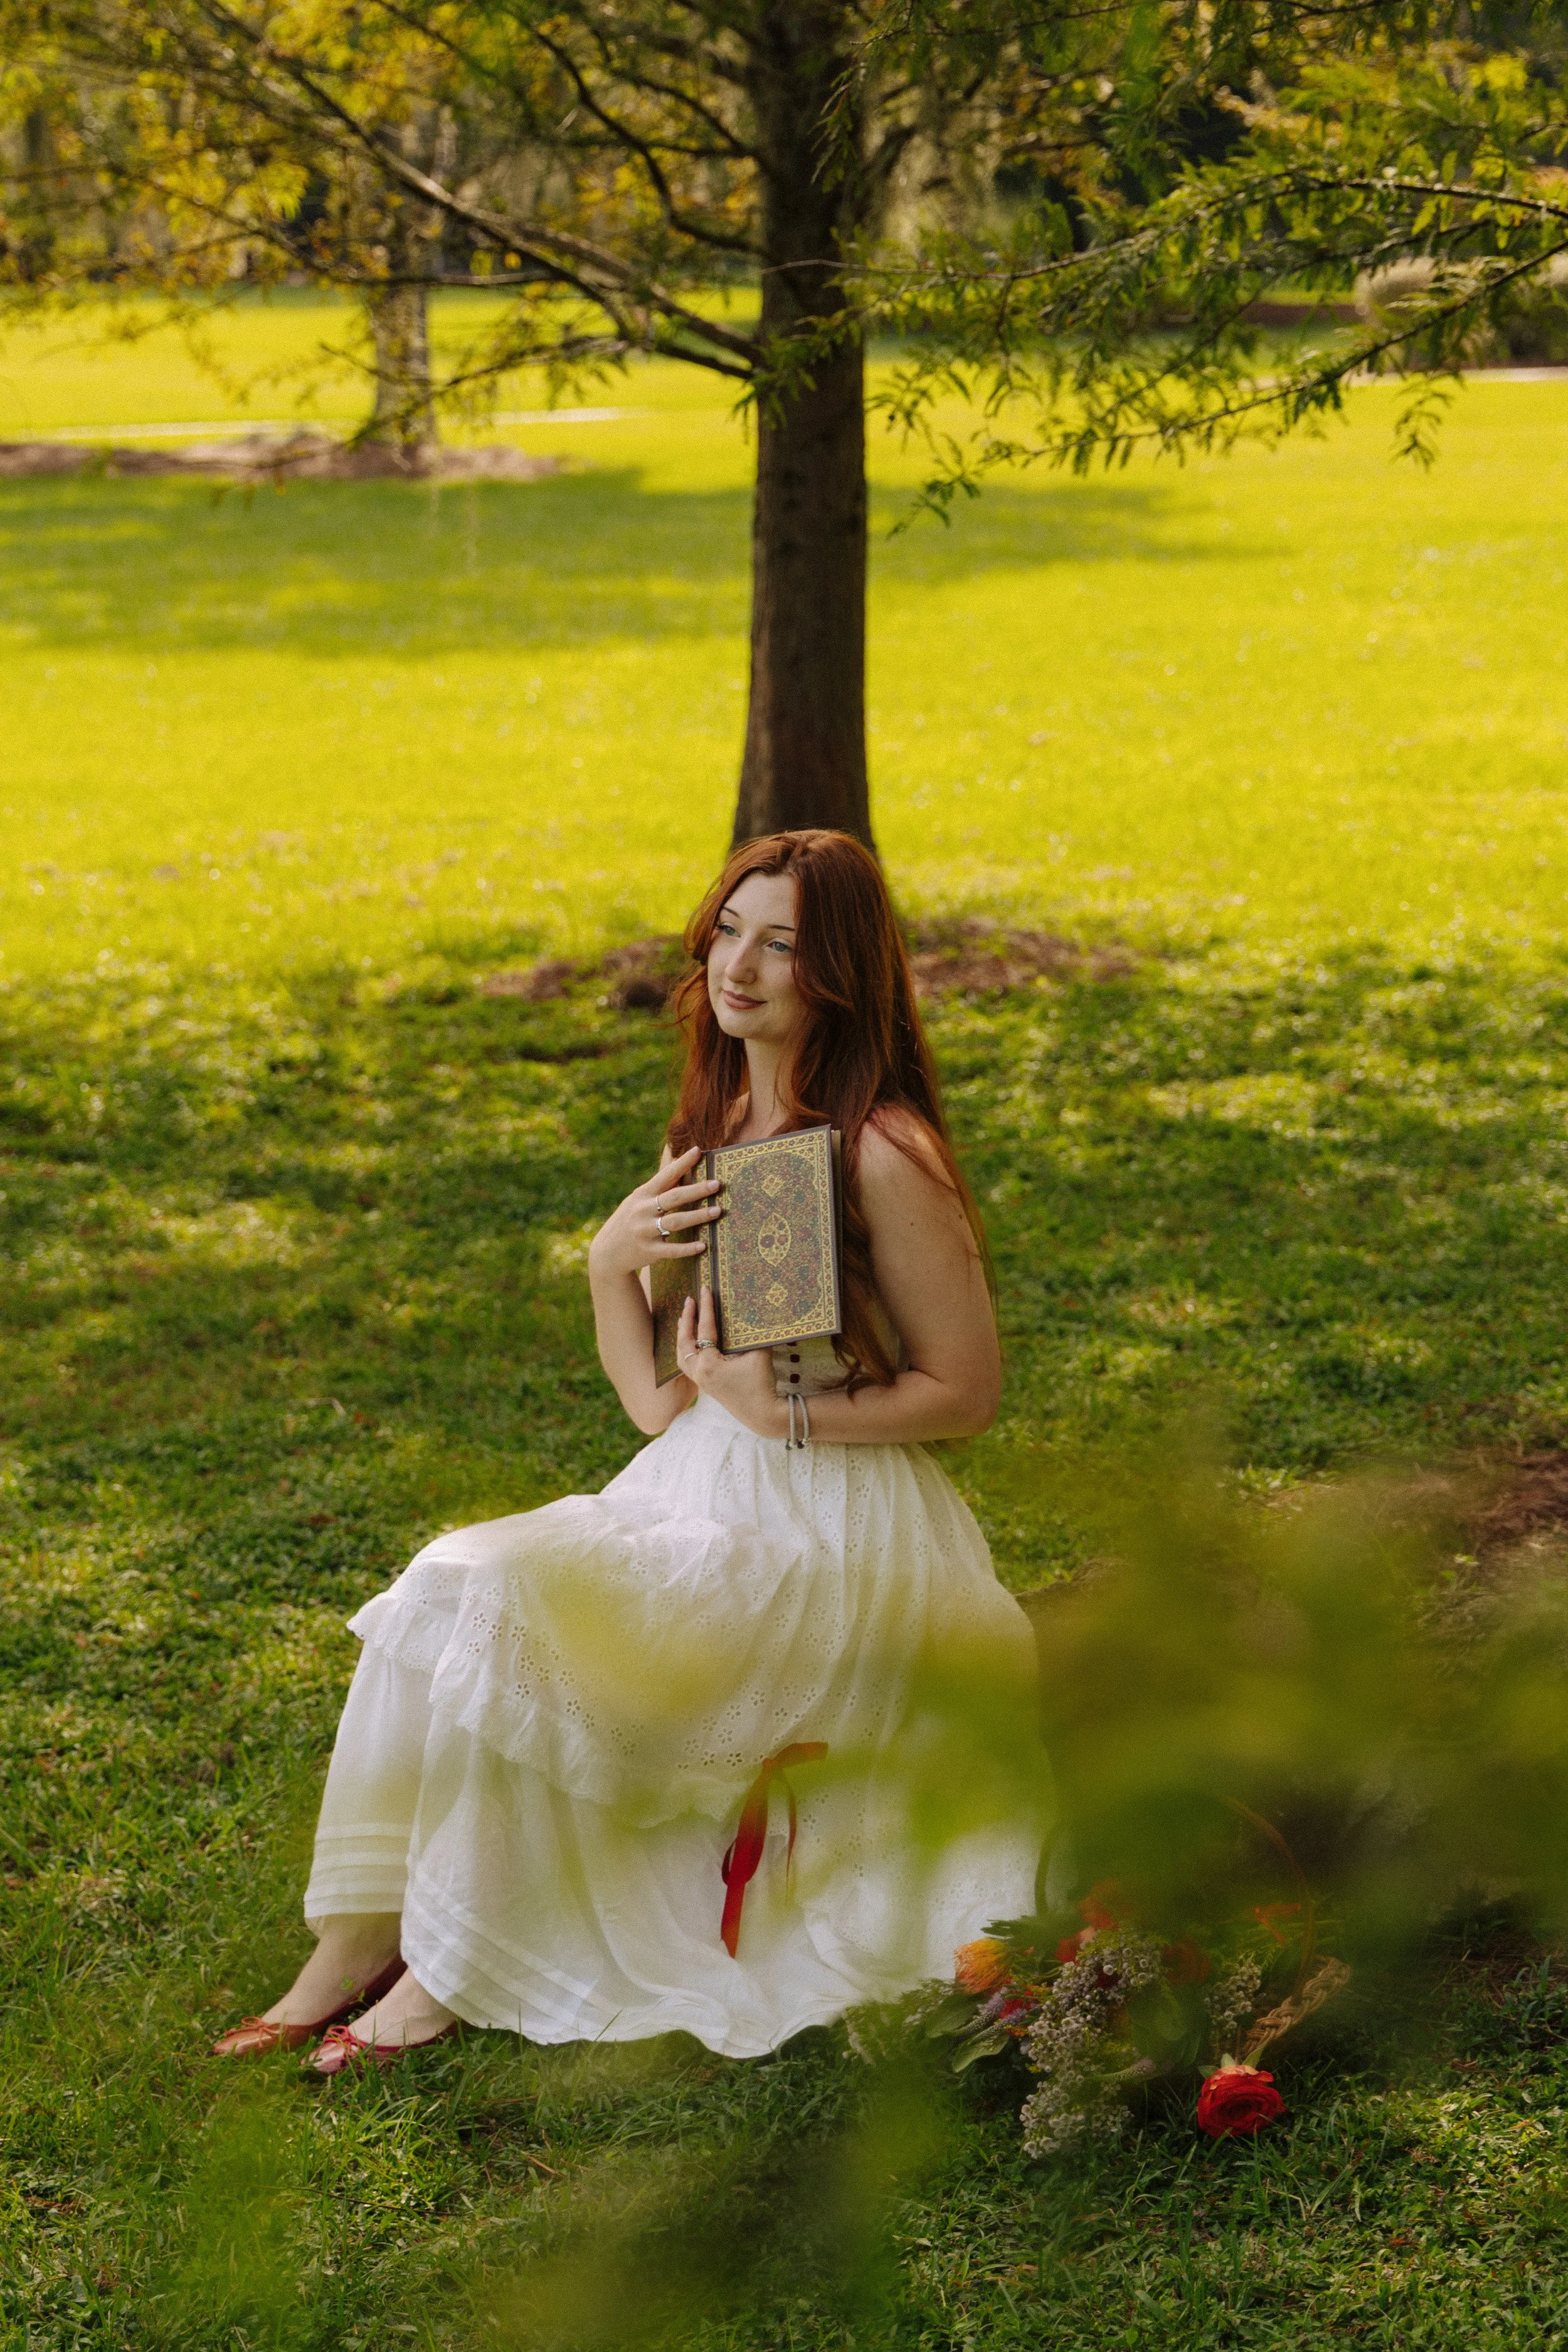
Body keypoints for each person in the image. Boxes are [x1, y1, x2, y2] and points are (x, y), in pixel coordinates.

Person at [214, 829, 1043, 2072]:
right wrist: (612, 1266)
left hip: (836, 1536)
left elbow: (965, 1392)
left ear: (840, 976)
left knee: (510, 1602)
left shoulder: (878, 1147)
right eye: (728, 932)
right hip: (696, 1486)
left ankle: (440, 1973)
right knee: (452, 1582)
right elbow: (660, 1405)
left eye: (783, 946)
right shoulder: (723, 1128)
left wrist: (788, 1417)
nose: (741, 968)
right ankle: (352, 1945)